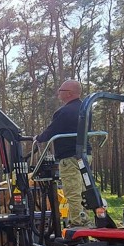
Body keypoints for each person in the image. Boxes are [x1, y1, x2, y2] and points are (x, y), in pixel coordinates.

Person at [34, 80, 92, 227]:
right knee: (85, 189)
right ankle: (88, 218)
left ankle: (78, 223)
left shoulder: (63, 112)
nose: (58, 92)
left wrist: (38, 138)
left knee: (72, 190)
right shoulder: (85, 109)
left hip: (70, 157)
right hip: (85, 156)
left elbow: (51, 131)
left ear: (69, 93)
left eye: (61, 90)